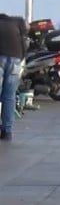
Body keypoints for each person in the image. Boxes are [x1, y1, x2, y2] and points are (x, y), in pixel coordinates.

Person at [0, 12, 28, 141]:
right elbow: (24, 44)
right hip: (15, 59)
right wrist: (21, 58)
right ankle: (7, 131)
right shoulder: (16, 23)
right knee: (9, 96)